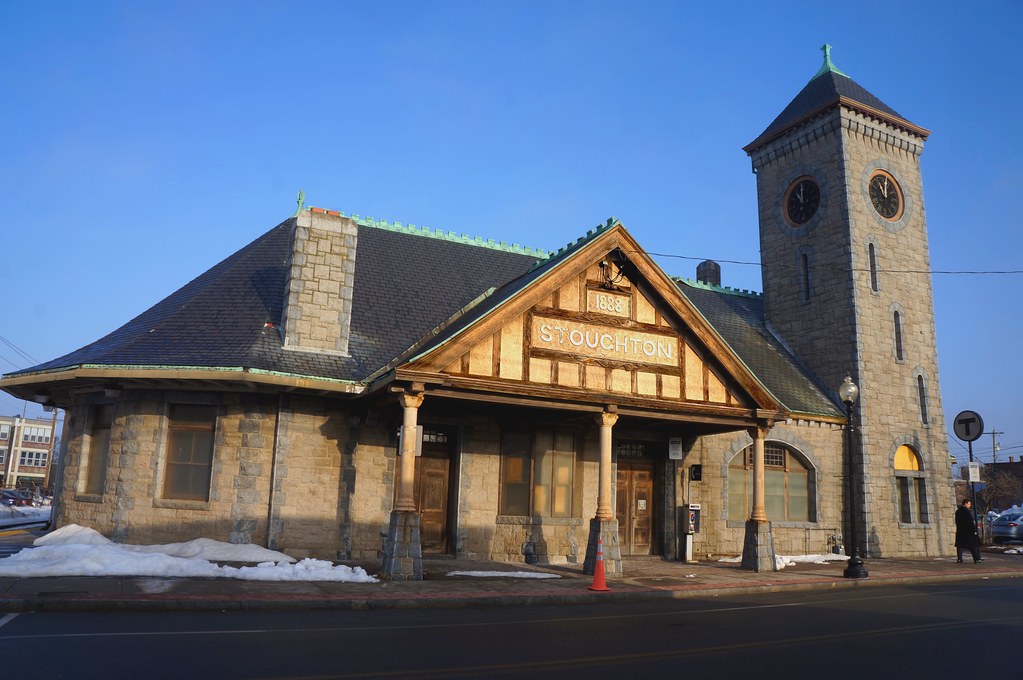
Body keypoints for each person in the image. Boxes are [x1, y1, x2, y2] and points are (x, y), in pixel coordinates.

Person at [955, 499, 982, 564]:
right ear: (965, 504)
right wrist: (974, 530)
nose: (970, 505)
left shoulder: (958, 511)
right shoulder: (966, 511)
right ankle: (976, 559)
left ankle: (959, 559)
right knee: (972, 545)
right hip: (968, 531)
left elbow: (957, 521)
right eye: (969, 504)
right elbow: (970, 522)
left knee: (960, 545)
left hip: (960, 530)